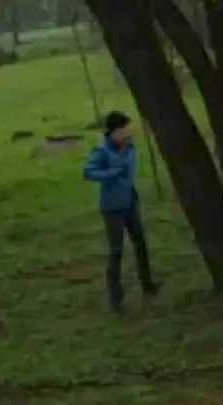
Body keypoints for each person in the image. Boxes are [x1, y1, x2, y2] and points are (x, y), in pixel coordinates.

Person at [83, 111, 160, 315]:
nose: (126, 131)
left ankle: (148, 285)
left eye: (127, 127)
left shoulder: (130, 147)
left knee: (141, 245)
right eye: (122, 128)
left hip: (129, 203)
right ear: (112, 131)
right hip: (112, 209)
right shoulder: (101, 151)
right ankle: (116, 299)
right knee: (116, 252)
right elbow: (88, 172)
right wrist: (111, 173)